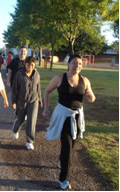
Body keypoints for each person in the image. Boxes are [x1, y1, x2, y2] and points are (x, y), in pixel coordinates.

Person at [42, 55, 96, 190]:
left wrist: (90, 96)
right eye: (74, 63)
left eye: (79, 64)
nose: (77, 66)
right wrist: (46, 108)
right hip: (63, 117)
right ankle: (63, 179)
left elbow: (91, 97)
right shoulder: (60, 78)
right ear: (68, 64)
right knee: (67, 148)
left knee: (71, 146)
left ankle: (62, 161)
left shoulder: (85, 80)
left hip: (77, 118)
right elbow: (47, 91)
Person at [11, 56, 42, 150]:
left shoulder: (36, 74)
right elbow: (15, 89)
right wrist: (13, 102)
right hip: (21, 101)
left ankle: (29, 141)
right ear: (25, 64)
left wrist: (40, 100)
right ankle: (15, 129)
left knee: (31, 121)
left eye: (32, 65)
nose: (30, 67)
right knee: (20, 119)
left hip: (33, 100)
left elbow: (38, 87)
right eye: (28, 64)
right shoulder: (19, 74)